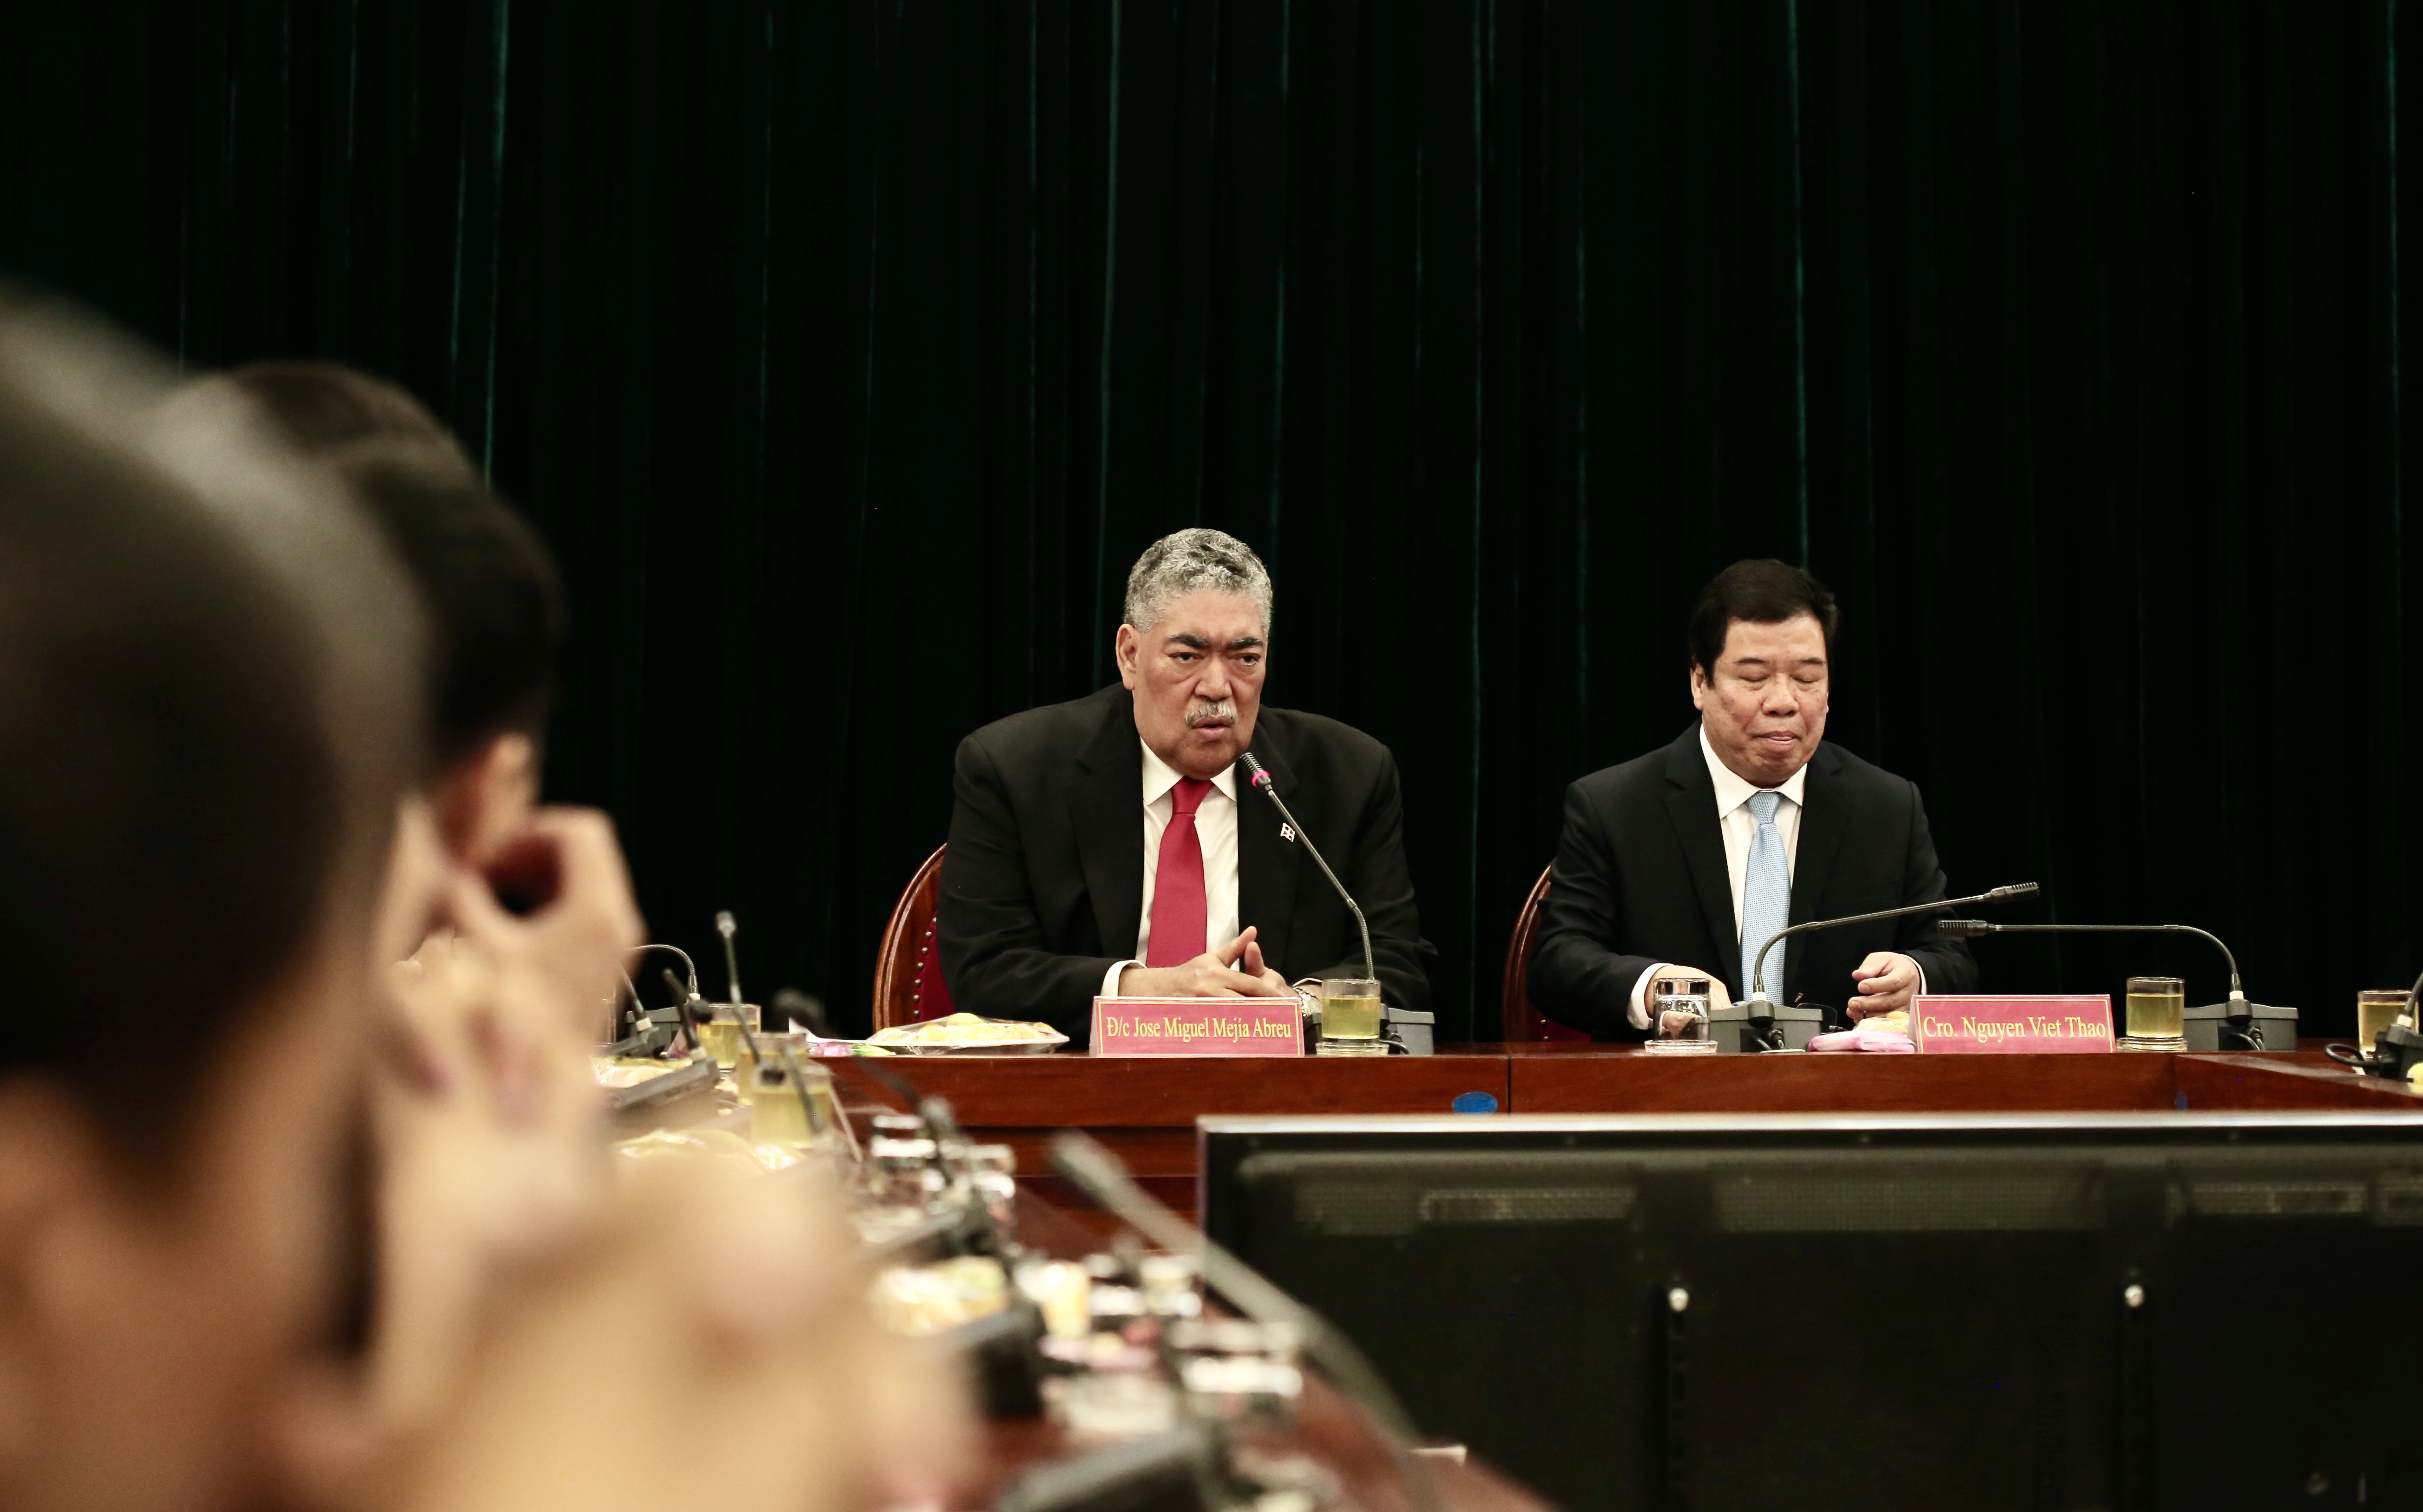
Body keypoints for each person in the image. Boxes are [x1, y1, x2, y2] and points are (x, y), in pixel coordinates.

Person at [940, 528, 1437, 1040]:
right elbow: (984, 970)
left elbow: (1396, 962)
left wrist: (1298, 1006)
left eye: (1245, 658)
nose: (1218, 687)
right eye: (1187, 656)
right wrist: (1148, 991)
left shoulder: (1348, 774)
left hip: (1273, 1081)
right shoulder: (1016, 768)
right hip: (1084, 1079)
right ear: (1130, 655)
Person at [1529, 559, 1975, 1038]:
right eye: (1755, 678)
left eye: (1806, 678)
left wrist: (1915, 976)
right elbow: (1558, 960)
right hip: (1675, 1081)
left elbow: (1948, 953)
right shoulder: (1614, 806)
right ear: (1700, 682)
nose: (1783, 702)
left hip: (1838, 1081)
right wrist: (1654, 987)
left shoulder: (1887, 807)